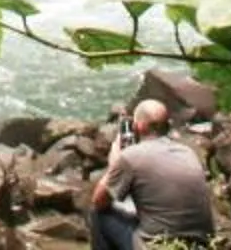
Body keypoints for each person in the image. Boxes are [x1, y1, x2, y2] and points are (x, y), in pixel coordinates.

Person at [86, 98, 216, 250]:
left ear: (138, 126)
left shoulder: (131, 156)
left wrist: (114, 164)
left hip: (157, 247)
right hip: (199, 245)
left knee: (99, 214)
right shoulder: (188, 152)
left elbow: (99, 201)